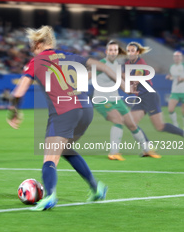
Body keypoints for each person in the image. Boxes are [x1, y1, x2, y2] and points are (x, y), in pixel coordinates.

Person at [7, 26, 126, 211]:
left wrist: (13, 110)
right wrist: (123, 84)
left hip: (63, 111)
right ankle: (96, 188)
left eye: (32, 44)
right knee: (66, 149)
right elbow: (101, 66)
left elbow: (19, 91)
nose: (31, 48)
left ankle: (49, 195)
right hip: (85, 110)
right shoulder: (68, 56)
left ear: (38, 43)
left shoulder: (36, 61)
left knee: (50, 157)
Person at [93, 40, 159, 160]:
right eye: (111, 50)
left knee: (132, 124)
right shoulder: (101, 64)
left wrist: (130, 89)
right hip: (102, 100)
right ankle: (113, 152)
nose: (113, 52)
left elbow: (119, 82)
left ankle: (147, 150)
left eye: (115, 50)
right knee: (118, 120)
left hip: (116, 99)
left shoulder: (117, 65)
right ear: (106, 52)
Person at [125, 42, 184, 145]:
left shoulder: (141, 64)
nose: (130, 53)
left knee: (159, 127)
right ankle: (148, 147)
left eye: (132, 51)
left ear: (138, 52)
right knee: (131, 123)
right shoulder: (128, 64)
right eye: (128, 51)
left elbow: (135, 80)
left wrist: (129, 87)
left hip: (149, 96)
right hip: (140, 97)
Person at [166, 51, 184, 129]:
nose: (177, 58)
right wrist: (169, 77)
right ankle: (175, 124)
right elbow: (173, 77)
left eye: (178, 56)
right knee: (170, 109)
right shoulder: (172, 67)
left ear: (181, 58)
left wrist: (182, 79)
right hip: (175, 91)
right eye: (175, 56)